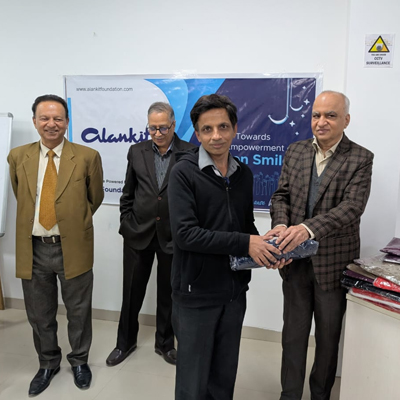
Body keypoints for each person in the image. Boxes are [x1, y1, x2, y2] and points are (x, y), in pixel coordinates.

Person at [168, 94, 288, 400]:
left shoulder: (243, 174)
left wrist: (268, 248)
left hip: (234, 293)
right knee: (193, 382)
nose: (216, 136)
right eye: (207, 129)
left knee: (223, 377)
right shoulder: (183, 172)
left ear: (235, 128)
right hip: (196, 293)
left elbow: (245, 226)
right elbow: (186, 235)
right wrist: (247, 242)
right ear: (197, 134)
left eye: (223, 127)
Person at [269, 90, 374, 400]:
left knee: (328, 339)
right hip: (294, 263)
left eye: (330, 115)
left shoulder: (360, 158)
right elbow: (281, 196)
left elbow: (352, 207)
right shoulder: (296, 151)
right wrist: (280, 225)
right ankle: (289, 395)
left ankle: (320, 395)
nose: (321, 121)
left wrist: (307, 229)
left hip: (333, 265)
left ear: (346, 120)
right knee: (293, 336)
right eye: (316, 115)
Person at [8, 94, 104, 396]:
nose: (51, 124)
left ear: (67, 122)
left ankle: (80, 361)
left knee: (78, 311)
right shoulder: (17, 156)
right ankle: (47, 363)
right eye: (45, 118)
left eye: (58, 118)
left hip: (72, 247)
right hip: (34, 248)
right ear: (35, 121)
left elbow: (94, 198)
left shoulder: (87, 156)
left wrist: (71, 222)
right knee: (39, 314)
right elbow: (21, 195)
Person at [106, 102, 195, 367]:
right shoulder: (136, 151)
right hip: (138, 233)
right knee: (131, 293)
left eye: (163, 128)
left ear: (173, 125)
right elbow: (128, 192)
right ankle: (124, 343)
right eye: (152, 128)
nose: (157, 133)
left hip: (173, 236)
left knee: (169, 294)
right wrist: (126, 223)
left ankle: (165, 344)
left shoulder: (190, 152)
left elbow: (194, 196)